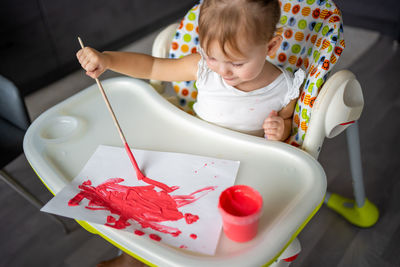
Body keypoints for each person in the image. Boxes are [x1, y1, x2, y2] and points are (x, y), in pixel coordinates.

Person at [78, 0, 304, 264]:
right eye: (212, 56)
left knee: (215, 237)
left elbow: (288, 121)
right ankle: (133, 259)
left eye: (237, 63)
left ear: (270, 47)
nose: (223, 71)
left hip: (242, 172)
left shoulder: (283, 88)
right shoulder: (204, 70)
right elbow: (153, 67)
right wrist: (107, 60)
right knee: (151, 208)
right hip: (193, 157)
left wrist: (280, 129)